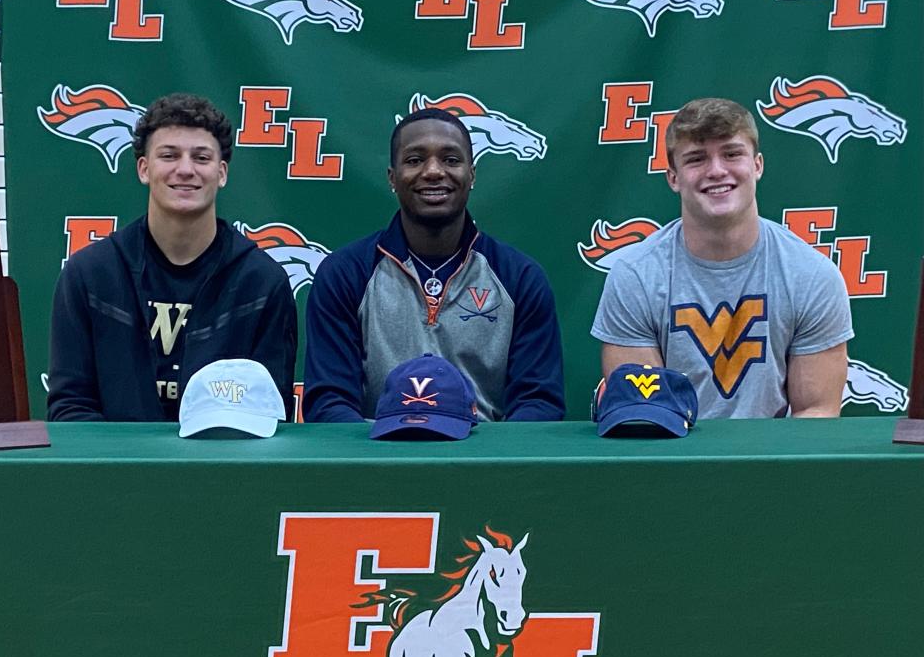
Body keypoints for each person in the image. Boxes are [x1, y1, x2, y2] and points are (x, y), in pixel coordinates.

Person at [591, 97, 852, 418]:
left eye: (731, 154)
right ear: (673, 178)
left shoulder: (811, 275)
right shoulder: (636, 276)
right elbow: (644, 416)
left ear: (757, 165)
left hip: (772, 463)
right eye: (696, 159)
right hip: (670, 461)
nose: (716, 170)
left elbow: (816, 412)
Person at [303, 107, 565, 422]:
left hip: (483, 460)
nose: (433, 171)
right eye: (414, 160)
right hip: (380, 456)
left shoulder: (519, 278)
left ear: (472, 175)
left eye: (451, 160)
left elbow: (539, 403)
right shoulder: (344, 274)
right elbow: (329, 402)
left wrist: (486, 459)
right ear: (392, 178)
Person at [48, 93, 297, 421]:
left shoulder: (263, 283)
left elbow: (269, 414)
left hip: (219, 468)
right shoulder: (89, 275)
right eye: (169, 155)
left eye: (201, 158)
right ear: (144, 168)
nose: (185, 169)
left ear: (221, 173)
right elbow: (70, 408)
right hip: (114, 467)